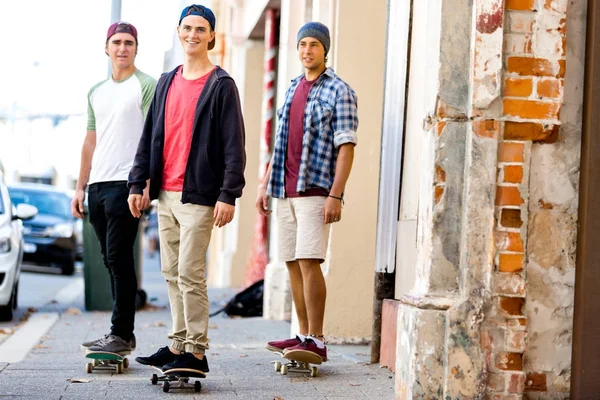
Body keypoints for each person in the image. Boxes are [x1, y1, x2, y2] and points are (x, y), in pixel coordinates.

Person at [128, 4, 246, 374]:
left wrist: (229, 194)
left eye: (201, 29)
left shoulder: (221, 85)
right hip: (166, 193)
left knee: (190, 274)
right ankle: (177, 342)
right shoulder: (166, 81)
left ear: (212, 36)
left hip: (200, 196)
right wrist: (138, 182)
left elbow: (233, 144)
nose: (193, 35)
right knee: (170, 272)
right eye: (187, 28)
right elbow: (150, 137)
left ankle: (195, 352)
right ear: (178, 32)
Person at [258, 22, 358, 363]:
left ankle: (317, 338)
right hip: (284, 190)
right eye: (302, 44)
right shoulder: (291, 88)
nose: (307, 50)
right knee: (291, 263)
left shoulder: (339, 91)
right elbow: (280, 142)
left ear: (324, 50)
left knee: (309, 261)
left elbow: (346, 147)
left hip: (316, 190)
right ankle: (301, 335)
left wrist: (335, 194)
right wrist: (265, 183)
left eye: (314, 44)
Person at [72, 21, 156, 353]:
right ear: (106, 48)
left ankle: (122, 334)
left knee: (119, 258)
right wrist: (80, 187)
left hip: (128, 184)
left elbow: (152, 138)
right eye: (117, 42)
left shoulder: (146, 85)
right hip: (98, 185)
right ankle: (118, 332)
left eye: (129, 43)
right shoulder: (96, 91)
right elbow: (90, 141)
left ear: (136, 48)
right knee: (109, 259)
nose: (122, 48)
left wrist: (145, 184)